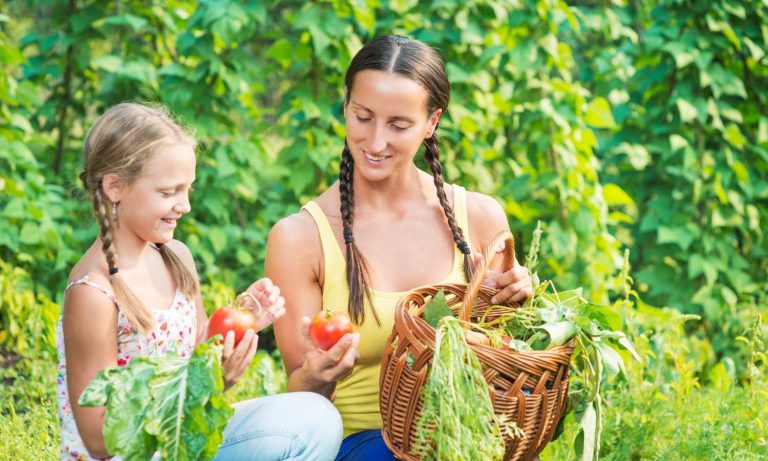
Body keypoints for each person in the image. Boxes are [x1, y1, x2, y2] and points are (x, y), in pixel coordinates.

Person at [265, 34, 533, 460]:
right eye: (363, 117)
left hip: (465, 436)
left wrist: (515, 304)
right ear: (347, 105)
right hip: (361, 443)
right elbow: (302, 405)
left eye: (398, 125)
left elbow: (506, 361)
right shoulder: (300, 238)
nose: (374, 142)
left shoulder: (478, 219)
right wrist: (317, 374)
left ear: (432, 122)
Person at [56, 102, 343, 461]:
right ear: (115, 187)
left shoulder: (175, 256)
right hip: (133, 456)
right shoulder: (93, 293)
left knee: (316, 417)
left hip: (179, 443)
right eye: (168, 192)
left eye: (187, 189)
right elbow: (100, 438)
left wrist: (244, 319)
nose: (185, 205)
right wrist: (204, 383)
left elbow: (197, 350)